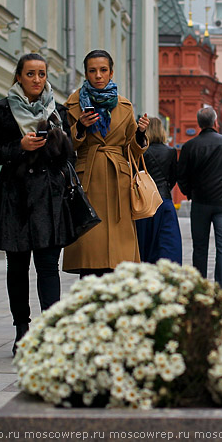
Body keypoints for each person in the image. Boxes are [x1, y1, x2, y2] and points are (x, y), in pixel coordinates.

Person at [0, 53, 74, 355]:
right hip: (15, 197)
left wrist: (59, 143)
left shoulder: (59, 111)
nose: (37, 80)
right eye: (30, 74)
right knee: (17, 267)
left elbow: (70, 157)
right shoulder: (2, 111)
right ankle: (22, 331)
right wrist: (19, 146)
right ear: (18, 76)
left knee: (48, 267)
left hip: (48, 197)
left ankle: (52, 331)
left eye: (41, 74)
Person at [62, 50, 149, 278]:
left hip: (118, 181)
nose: (98, 75)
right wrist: (80, 127)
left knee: (118, 262)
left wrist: (140, 135)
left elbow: (131, 148)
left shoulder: (124, 106)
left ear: (111, 72)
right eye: (92, 70)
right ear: (86, 73)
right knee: (90, 256)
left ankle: (116, 305)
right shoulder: (71, 105)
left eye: (103, 70)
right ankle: (91, 303)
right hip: (87, 181)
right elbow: (62, 147)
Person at [178, 107, 222, 291]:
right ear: (216, 122)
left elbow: (181, 175)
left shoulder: (189, 146)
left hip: (200, 202)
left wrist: (189, 193)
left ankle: (199, 288)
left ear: (199, 124)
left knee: (199, 247)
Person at [135, 117, 182, 264]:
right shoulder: (171, 152)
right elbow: (173, 177)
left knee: (144, 245)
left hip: (143, 202)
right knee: (166, 245)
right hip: (164, 201)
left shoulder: (139, 151)